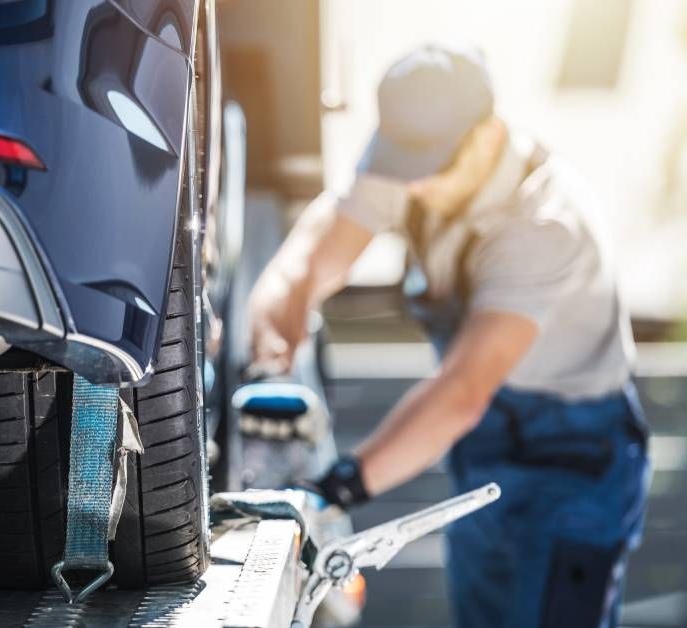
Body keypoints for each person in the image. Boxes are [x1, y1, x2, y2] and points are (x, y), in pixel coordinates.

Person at [248, 44, 651, 628]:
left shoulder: (544, 224)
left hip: (573, 463)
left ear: (487, 137)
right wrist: (273, 331)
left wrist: (336, 487)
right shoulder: (414, 157)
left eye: (428, 169)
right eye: (400, 168)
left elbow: (462, 391)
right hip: (486, 450)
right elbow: (312, 258)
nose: (411, 190)